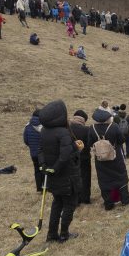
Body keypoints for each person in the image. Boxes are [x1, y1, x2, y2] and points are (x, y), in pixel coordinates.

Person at [38, 100, 80, 241]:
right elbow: (65, 156)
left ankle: (51, 234)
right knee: (69, 204)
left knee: (57, 203)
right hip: (66, 175)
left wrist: (45, 167)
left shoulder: (44, 131)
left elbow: (41, 151)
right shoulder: (62, 132)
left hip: (53, 175)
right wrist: (77, 150)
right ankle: (64, 233)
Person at [89, 107, 129, 210]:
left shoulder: (92, 128)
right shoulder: (114, 127)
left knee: (105, 180)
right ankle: (124, 200)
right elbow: (121, 140)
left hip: (100, 160)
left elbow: (89, 143)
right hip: (115, 157)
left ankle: (109, 203)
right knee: (120, 177)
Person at [68, 109, 93, 205]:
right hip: (85, 157)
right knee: (85, 177)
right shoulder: (87, 129)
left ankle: (76, 199)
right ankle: (85, 198)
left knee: (73, 178)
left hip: (71, 158)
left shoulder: (68, 128)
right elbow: (90, 143)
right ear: (83, 120)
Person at [23, 109, 43, 192]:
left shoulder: (27, 126)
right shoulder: (44, 126)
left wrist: (32, 146)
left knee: (37, 170)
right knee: (44, 169)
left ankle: (39, 188)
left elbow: (26, 140)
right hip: (42, 153)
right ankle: (46, 187)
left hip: (33, 153)